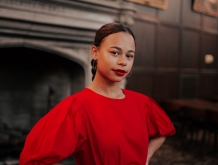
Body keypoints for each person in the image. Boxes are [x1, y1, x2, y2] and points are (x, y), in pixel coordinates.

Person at [19, 23, 175, 165]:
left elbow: (162, 131)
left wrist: (145, 158)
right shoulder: (76, 108)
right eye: (115, 53)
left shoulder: (142, 103)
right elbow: (33, 160)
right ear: (95, 52)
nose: (123, 62)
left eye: (129, 56)